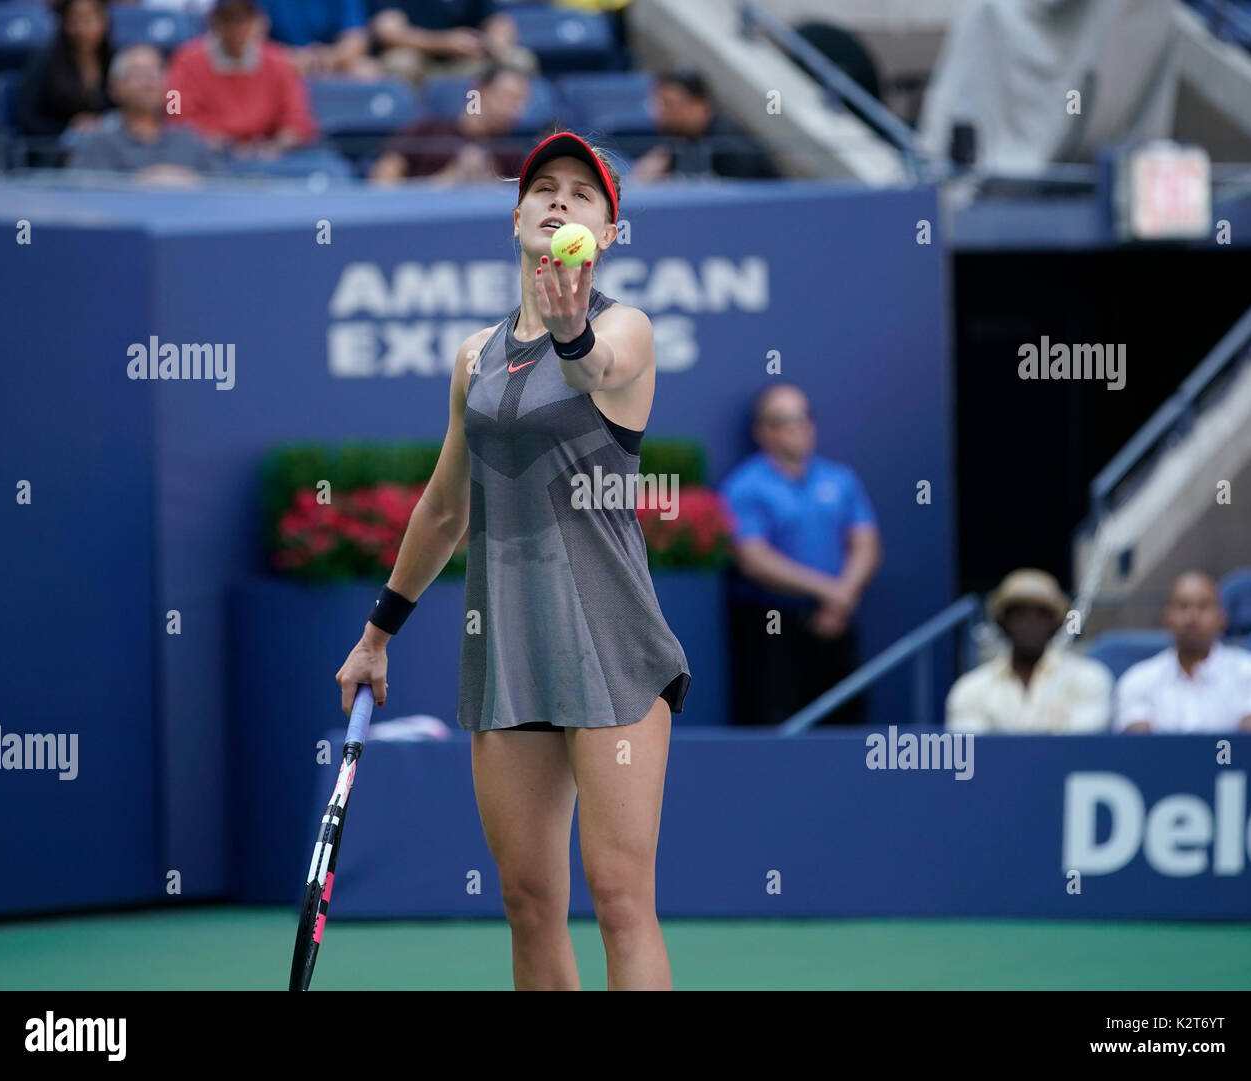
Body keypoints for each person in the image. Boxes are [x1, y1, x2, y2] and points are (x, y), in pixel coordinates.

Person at [335, 131, 691, 990]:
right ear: (517, 217)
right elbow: (447, 506)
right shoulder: (472, 358)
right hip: (507, 648)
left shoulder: (624, 327)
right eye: (543, 188)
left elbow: (602, 366)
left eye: (582, 194)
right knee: (529, 899)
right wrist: (378, 633)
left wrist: (572, 336)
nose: (559, 199)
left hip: (612, 646)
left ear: (608, 232)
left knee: (618, 897)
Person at [719, 383, 882, 727]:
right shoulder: (744, 486)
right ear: (762, 431)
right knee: (778, 726)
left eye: (803, 418)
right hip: (773, 628)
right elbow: (753, 558)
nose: (797, 428)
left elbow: (866, 543)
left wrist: (841, 598)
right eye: (783, 421)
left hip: (838, 620)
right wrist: (830, 591)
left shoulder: (840, 479)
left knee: (847, 723)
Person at [946, 569, 1111, 733]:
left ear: (1056, 624)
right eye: (1019, 614)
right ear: (1002, 624)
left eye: (1041, 615)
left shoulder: (1089, 678)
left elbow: (1080, 749)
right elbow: (976, 752)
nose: (1030, 623)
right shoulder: (970, 689)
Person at [1115, 572, 1251, 733]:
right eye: (1183, 606)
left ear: (1222, 618)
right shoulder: (1138, 679)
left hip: (1231, 759)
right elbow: (1140, 751)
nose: (1192, 617)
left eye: (1203, 606)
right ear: (1167, 618)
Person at [164, 0, 318, 157]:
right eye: (229, 19)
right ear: (214, 21)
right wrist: (204, 137)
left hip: (267, 154)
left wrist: (278, 145)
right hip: (205, 153)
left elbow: (298, 118)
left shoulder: (279, 62)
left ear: (259, 22)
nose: (237, 27)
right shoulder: (185, 60)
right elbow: (173, 108)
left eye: (244, 19)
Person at [70, 45, 222, 182]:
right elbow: (86, 200)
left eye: (156, 72)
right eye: (138, 73)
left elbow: (224, 192)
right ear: (115, 88)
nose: (149, 81)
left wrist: (192, 181)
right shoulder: (97, 142)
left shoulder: (189, 140)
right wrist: (141, 184)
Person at [368, 61, 531, 184]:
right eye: (509, 97)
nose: (517, 109)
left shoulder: (512, 156)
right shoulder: (425, 130)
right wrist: (450, 179)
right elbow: (381, 185)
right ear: (481, 92)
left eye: (521, 101)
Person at [629, 65, 779, 183]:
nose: (661, 113)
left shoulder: (728, 146)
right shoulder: (680, 142)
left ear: (700, 107)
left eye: (670, 104)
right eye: (659, 104)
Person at [17, 0, 115, 161]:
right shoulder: (45, 62)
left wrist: (101, 123)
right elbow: (27, 118)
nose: (84, 26)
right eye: (76, 18)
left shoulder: (114, 60)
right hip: (56, 151)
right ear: (65, 22)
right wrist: (69, 128)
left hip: (108, 147)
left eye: (90, 17)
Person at [369, 0, 537, 85]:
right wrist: (445, 42)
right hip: (421, 62)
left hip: (467, 61)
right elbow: (388, 32)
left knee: (518, 58)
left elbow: (499, 21)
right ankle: (412, 129)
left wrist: (492, 44)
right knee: (399, 62)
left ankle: (511, 133)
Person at [253, 0, 382, 79]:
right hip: (280, 63)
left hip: (332, 63)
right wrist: (291, 58)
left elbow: (356, 38)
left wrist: (330, 58)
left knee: (366, 72)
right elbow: (252, 40)